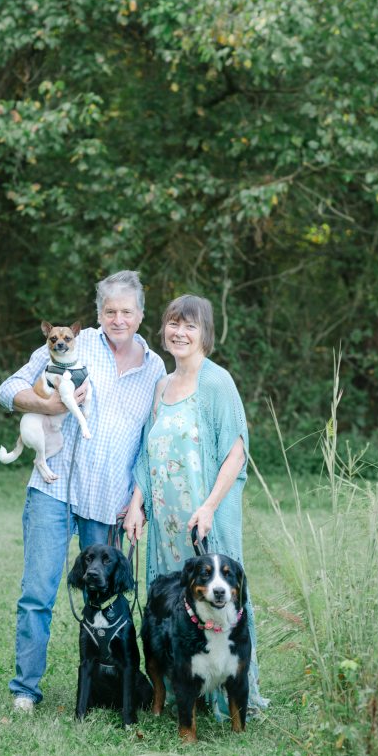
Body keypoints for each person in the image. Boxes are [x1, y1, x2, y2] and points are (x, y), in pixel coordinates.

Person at [0, 270, 165, 712]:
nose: (118, 319)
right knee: (38, 593)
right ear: (98, 313)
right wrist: (48, 404)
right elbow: (8, 389)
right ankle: (25, 690)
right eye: (110, 311)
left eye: (126, 311)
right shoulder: (74, 343)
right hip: (54, 489)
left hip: (109, 502)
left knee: (108, 598)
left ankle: (106, 689)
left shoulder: (155, 368)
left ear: (140, 314)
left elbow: (151, 443)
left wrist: (138, 501)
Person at [124, 294, 268, 717]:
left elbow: (236, 453)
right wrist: (136, 504)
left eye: (190, 325)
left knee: (222, 599)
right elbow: (147, 454)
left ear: (205, 333)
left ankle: (232, 694)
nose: (180, 332)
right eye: (174, 323)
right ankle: (186, 688)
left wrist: (208, 507)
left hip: (206, 519)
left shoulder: (217, 382)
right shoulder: (161, 386)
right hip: (167, 523)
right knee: (176, 604)